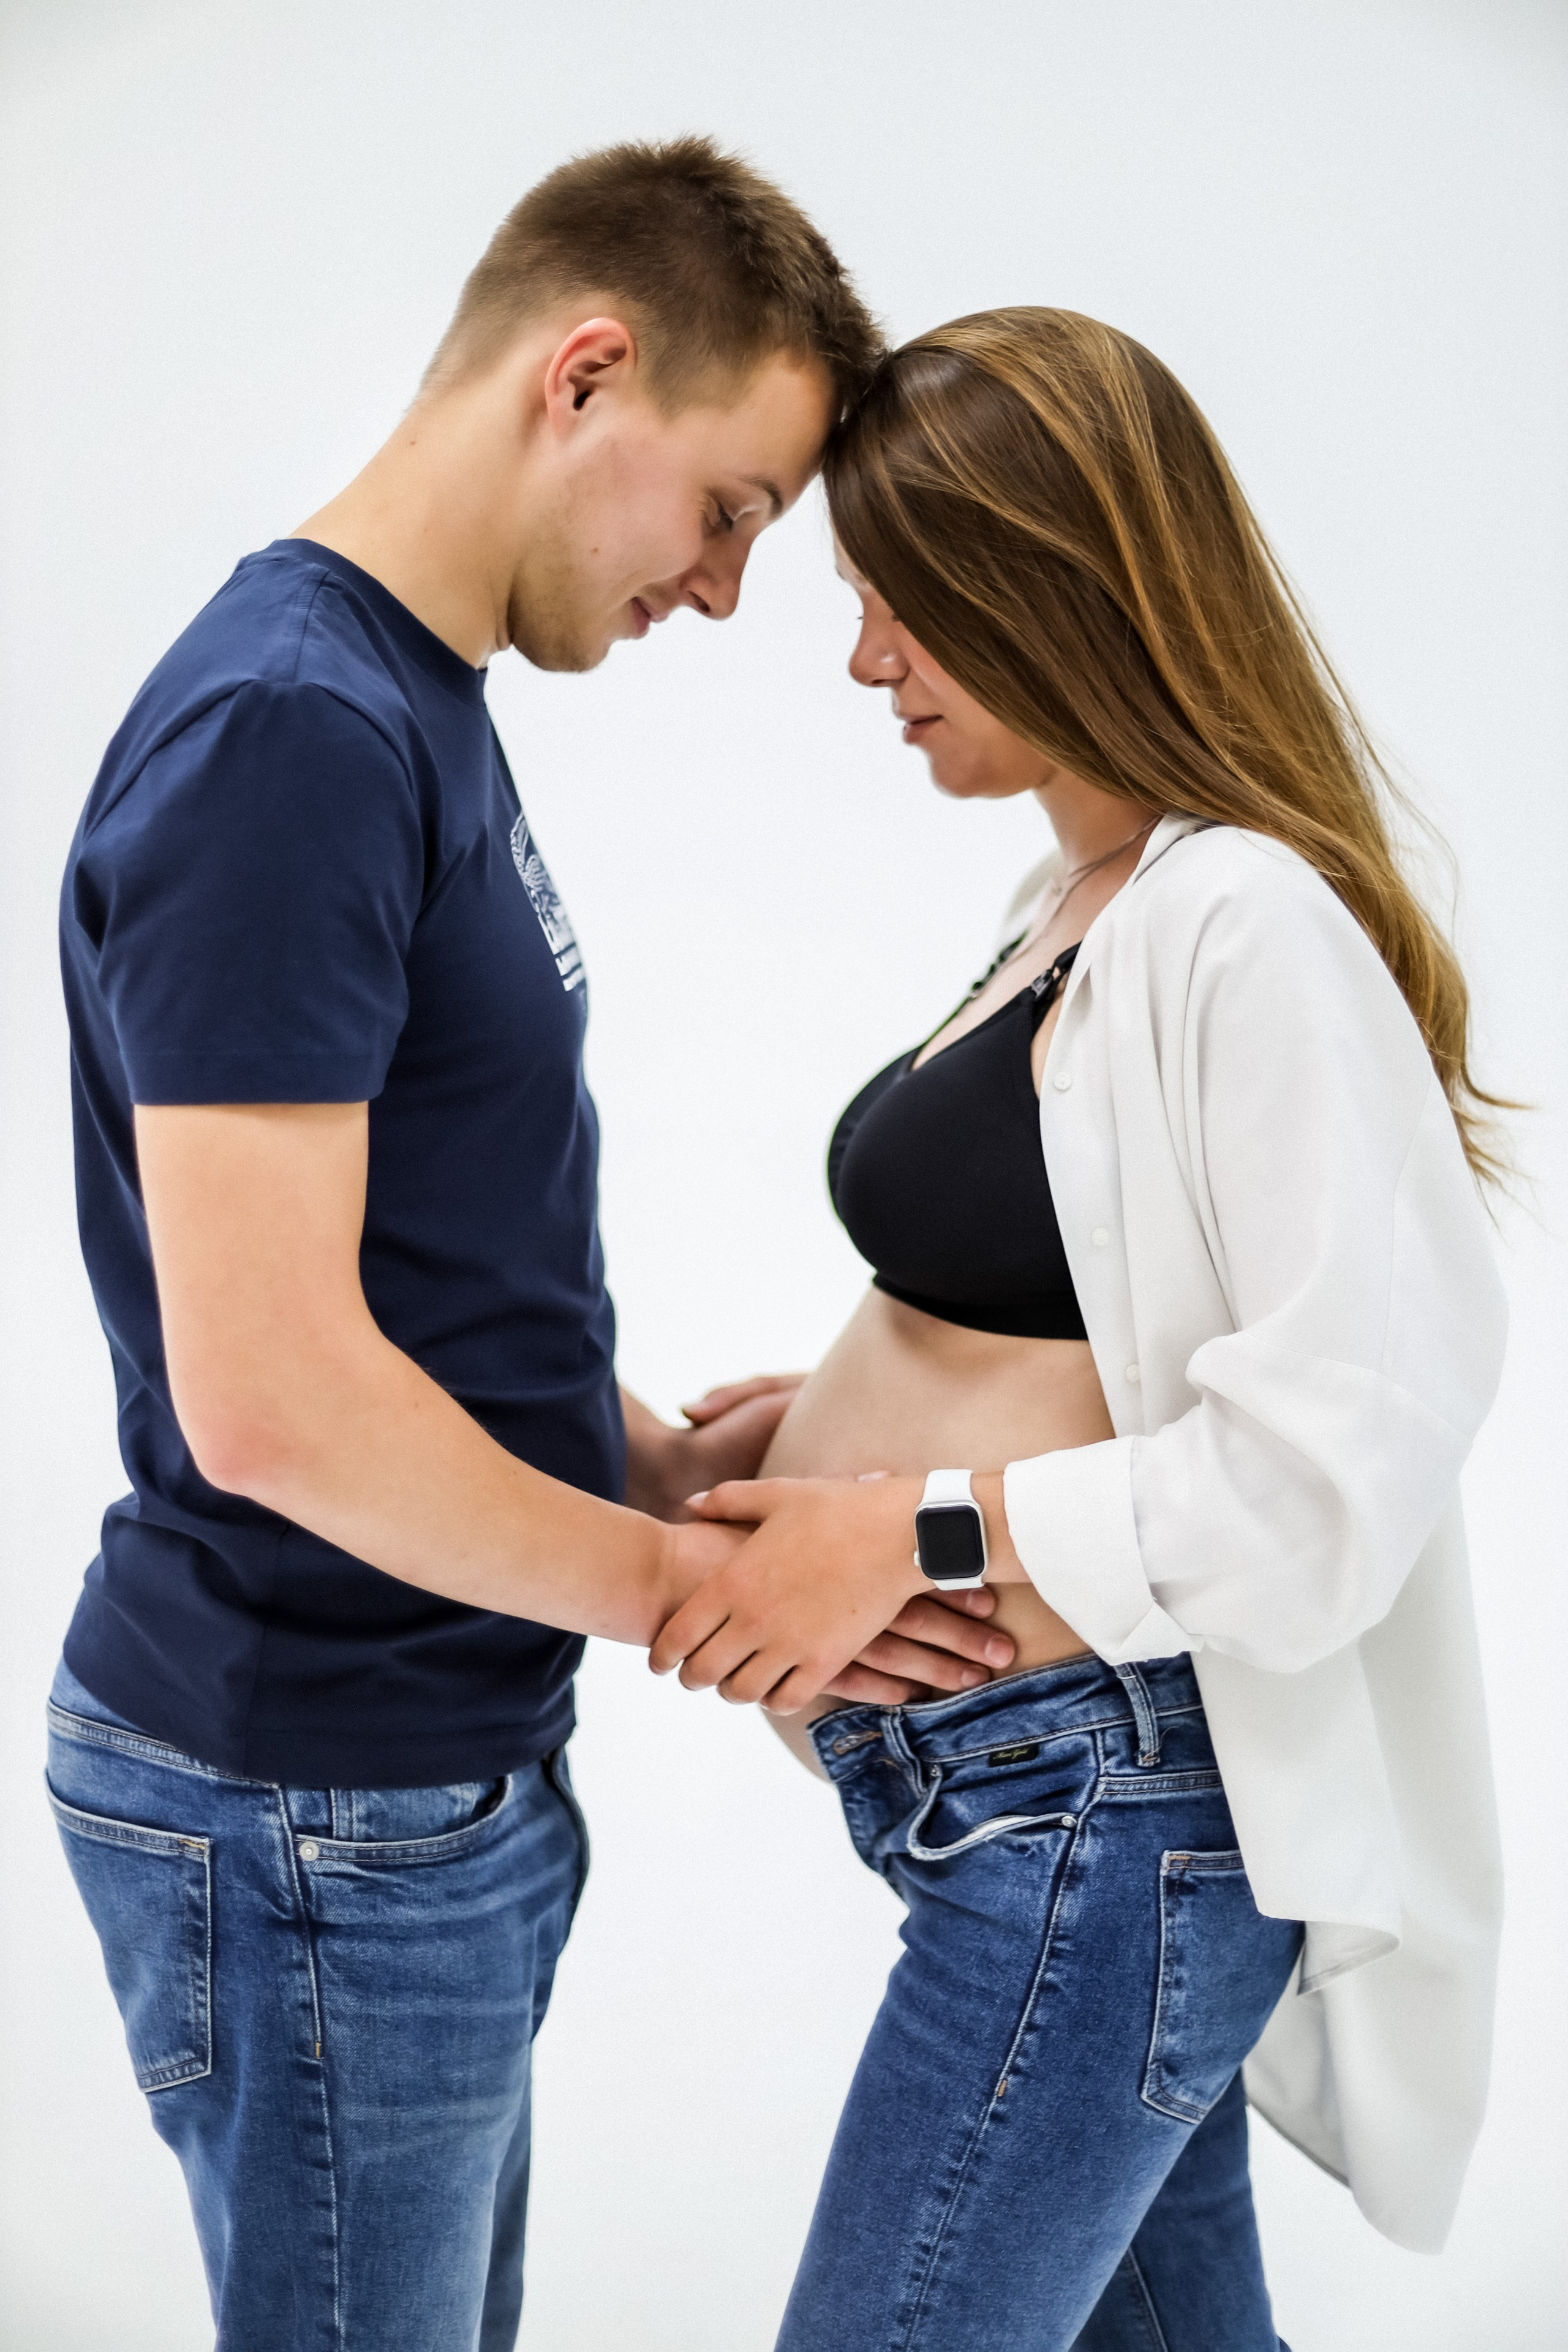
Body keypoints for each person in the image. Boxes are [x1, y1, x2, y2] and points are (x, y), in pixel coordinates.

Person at [46, 141, 1012, 2351]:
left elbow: (420, 1263)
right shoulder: (292, 731)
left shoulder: (400, 703)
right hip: (312, 1799)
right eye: (738, 510)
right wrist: (696, 1590)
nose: (727, 592)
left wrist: (647, 1455)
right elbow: (274, 1393)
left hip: (418, 1772)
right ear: (589, 375)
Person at [653, 307, 1510, 2350]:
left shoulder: (1247, 920)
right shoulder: (1084, 892)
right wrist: (847, 1411)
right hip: (1021, 1816)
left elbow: (1339, 1462)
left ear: (1060, 584)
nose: (869, 662)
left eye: (907, 609)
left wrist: (921, 1521)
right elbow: (1107, 1283)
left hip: (1101, 1836)